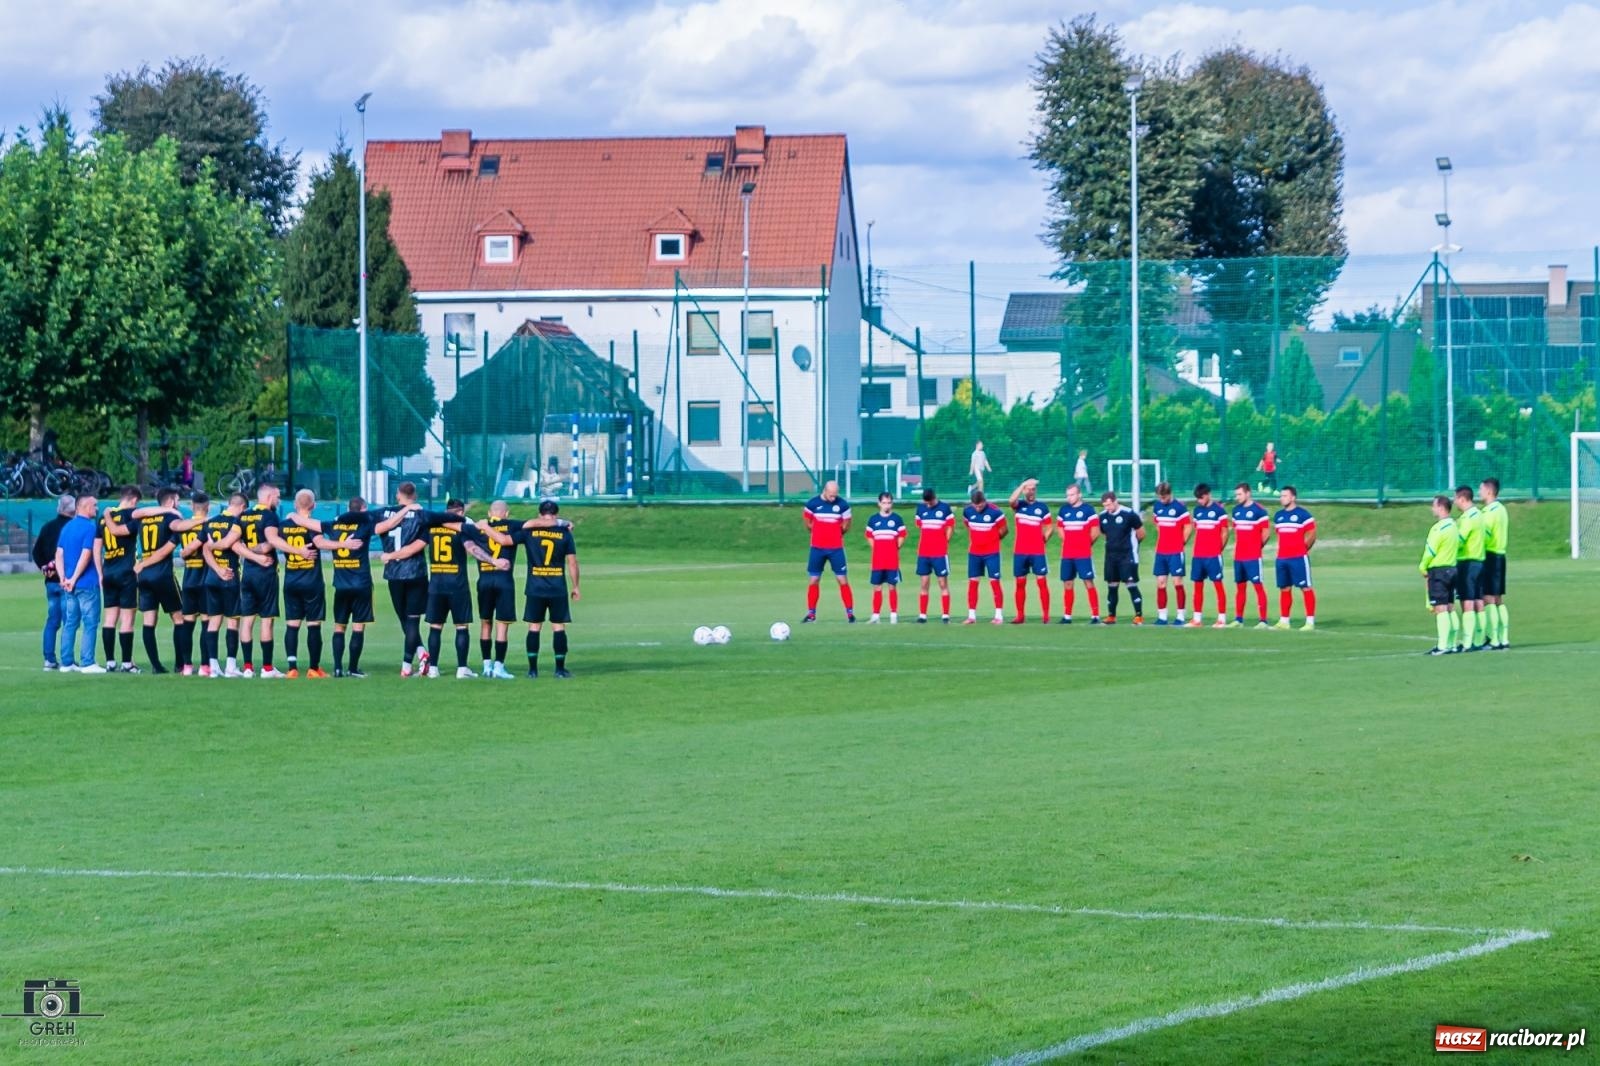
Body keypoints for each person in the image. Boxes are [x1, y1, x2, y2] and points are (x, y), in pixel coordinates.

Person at [415, 499, 501, 678]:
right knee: (461, 627)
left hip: (436, 584)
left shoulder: (432, 527)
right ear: (461, 512)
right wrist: (493, 561)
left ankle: (433, 669)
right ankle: (462, 669)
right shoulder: (460, 528)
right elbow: (472, 549)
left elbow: (417, 546)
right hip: (457, 584)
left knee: (435, 626)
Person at [131, 487, 204, 674]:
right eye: (177, 500)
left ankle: (156, 666)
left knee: (149, 621)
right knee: (179, 618)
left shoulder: (145, 518)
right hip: (161, 574)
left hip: (144, 576)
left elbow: (136, 513)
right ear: (171, 501)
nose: (178, 504)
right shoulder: (171, 517)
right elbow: (177, 530)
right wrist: (206, 520)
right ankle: (181, 664)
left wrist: (143, 563)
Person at [232, 482, 298, 678]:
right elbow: (271, 543)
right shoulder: (270, 516)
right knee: (267, 621)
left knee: (247, 620)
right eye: (277, 496)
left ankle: (248, 667)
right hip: (266, 573)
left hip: (248, 574)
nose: (278, 500)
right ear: (269, 497)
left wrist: (249, 553)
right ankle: (267, 668)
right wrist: (296, 550)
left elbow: (235, 544)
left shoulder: (243, 515)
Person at [278, 489, 345, 678]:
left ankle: (292, 668)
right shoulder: (312, 526)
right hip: (311, 582)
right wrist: (343, 545)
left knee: (292, 625)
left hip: (291, 581)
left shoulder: (283, 525)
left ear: (294, 505)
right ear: (313, 506)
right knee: (313, 625)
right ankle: (313, 668)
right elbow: (321, 543)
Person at [520, 500, 580, 678]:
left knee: (534, 627)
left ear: (540, 514)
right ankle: (560, 669)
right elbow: (572, 562)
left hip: (535, 587)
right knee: (558, 627)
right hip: (557, 587)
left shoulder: (530, 532)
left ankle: (532, 670)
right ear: (556, 514)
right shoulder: (564, 533)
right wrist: (576, 586)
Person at [378, 482, 431, 675]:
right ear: (414, 495)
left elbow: (378, 528)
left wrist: (390, 556)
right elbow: (417, 546)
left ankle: (410, 664)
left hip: (394, 573)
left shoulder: (385, 513)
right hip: (416, 572)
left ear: (397, 495)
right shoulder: (422, 514)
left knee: (405, 619)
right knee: (411, 620)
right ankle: (417, 658)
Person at [55, 495, 105, 674]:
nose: (97, 508)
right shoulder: (90, 528)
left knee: (70, 622)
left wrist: (63, 578)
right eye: (95, 505)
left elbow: (59, 554)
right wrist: (74, 578)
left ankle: (67, 662)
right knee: (90, 622)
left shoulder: (67, 527)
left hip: (69, 584)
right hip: (86, 582)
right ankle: (87, 662)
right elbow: (86, 554)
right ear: (84, 506)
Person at [328, 498, 376, 678]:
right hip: (361, 584)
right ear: (363, 509)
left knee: (339, 627)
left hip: (341, 584)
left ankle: (338, 668)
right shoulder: (365, 526)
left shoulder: (334, 525)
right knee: (358, 627)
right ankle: (353, 668)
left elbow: (317, 532)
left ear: (348, 508)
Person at [201, 493, 248, 677]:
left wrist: (216, 569)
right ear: (242, 507)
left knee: (214, 621)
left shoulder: (210, 523)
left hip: (211, 577)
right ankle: (230, 666)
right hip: (229, 576)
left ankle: (213, 667)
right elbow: (229, 544)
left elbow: (205, 549)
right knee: (232, 621)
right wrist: (222, 569)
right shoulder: (236, 523)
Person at [96, 486, 141, 673]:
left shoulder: (101, 519)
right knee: (127, 619)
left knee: (109, 619)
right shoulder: (133, 515)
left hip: (108, 572)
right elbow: (119, 532)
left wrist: (100, 573)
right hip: (126, 572)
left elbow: (96, 547)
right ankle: (127, 663)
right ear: (132, 500)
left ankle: (110, 662)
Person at [476, 501, 521, 678]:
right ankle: (499, 667)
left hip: (484, 579)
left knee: (485, 622)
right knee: (502, 625)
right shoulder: (512, 525)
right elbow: (535, 524)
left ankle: (486, 665)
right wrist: (563, 523)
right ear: (507, 513)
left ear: (489, 513)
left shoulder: (479, 527)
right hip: (504, 580)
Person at [802, 481, 854, 623]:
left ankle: (850, 613)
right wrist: (820, 533)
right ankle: (811, 614)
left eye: (835, 495)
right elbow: (807, 523)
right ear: (825, 491)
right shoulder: (812, 504)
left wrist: (836, 533)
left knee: (842, 579)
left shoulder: (842, 505)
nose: (833, 498)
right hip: (817, 548)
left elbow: (847, 523)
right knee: (814, 580)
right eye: (831, 495)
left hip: (836, 549)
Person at [33, 494, 74, 671]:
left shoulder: (47, 527)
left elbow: (36, 552)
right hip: (66, 580)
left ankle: (49, 659)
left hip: (50, 581)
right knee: (69, 621)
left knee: (52, 621)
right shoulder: (72, 527)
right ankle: (67, 660)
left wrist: (44, 566)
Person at [175, 493, 213, 675]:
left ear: (191, 506)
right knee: (206, 622)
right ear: (209, 507)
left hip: (189, 578)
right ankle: (205, 666)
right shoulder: (210, 525)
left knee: (187, 623)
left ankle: (187, 666)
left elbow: (182, 551)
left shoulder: (184, 526)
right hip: (205, 578)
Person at [1184, 484, 1231, 628]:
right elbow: (1197, 529)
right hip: (1198, 555)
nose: (1199, 501)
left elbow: (1225, 532)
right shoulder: (1197, 511)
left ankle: (1221, 619)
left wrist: (1218, 549)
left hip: (1213, 555)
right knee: (1197, 586)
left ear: (1208, 494)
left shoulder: (1219, 510)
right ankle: (1197, 619)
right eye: (1197, 498)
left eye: (1201, 498)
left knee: (1218, 585)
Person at [1007, 478, 1053, 624]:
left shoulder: (1042, 507)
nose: (1031, 492)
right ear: (1024, 490)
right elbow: (1011, 500)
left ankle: (1045, 615)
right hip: (1020, 551)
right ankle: (1020, 615)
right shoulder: (1019, 505)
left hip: (1037, 551)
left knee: (1042, 582)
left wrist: (1045, 537)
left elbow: (1049, 526)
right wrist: (1022, 485)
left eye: (1033, 489)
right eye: (1029, 489)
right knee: (1020, 583)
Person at [1271, 486, 1317, 630]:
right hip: (1282, 558)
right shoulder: (1278, 516)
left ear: (1293, 497)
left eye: (1285, 495)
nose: (1282, 498)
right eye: (1281, 496)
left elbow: (1312, 533)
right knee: (1284, 588)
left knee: (1305, 587)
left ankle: (1310, 621)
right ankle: (1284, 621)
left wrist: (1302, 549)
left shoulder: (1303, 515)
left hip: (1298, 558)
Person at [1055, 483, 1102, 624]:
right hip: (1067, 554)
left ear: (1079, 494)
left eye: (1072, 494)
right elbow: (1060, 529)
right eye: (1068, 495)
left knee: (1088, 582)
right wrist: (1069, 542)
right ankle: (1067, 616)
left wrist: (1085, 544)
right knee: (1067, 583)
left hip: (1083, 554)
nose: (1069, 497)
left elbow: (1095, 531)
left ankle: (1095, 615)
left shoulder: (1088, 510)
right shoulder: (1063, 510)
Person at [1420, 495, 1460, 656]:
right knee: (1450, 607)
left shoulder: (1438, 528)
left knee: (1440, 608)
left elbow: (1431, 550)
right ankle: (1452, 643)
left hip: (1439, 571)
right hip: (1452, 568)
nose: (1432, 508)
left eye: (1434, 505)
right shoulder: (1454, 526)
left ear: (1441, 507)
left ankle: (1442, 646)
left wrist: (1422, 566)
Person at [1229, 483, 1273, 628]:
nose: (1237, 497)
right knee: (1240, 588)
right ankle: (1238, 619)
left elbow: (1266, 533)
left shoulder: (1259, 511)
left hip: (1253, 557)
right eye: (1236, 495)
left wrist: (1256, 547)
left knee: (1258, 586)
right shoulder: (1236, 511)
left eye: (1240, 494)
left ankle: (1263, 620)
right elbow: (1236, 532)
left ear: (1248, 493)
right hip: (1239, 557)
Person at [962, 489, 1007, 625]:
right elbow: (967, 525)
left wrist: (992, 540)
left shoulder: (995, 512)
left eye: (980, 505)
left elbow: (1004, 530)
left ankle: (998, 615)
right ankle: (971, 616)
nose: (978, 508)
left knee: (994, 582)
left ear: (984, 501)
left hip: (991, 553)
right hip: (974, 553)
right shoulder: (967, 511)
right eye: (976, 506)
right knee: (973, 582)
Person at [1149, 482, 1192, 626]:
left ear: (1169, 494)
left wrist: (1180, 543)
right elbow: (1157, 525)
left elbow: (1188, 526)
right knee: (1161, 583)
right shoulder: (1157, 507)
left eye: (1164, 497)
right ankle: (1162, 616)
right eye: (1160, 498)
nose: (1162, 500)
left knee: (1177, 582)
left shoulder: (1180, 507)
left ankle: (1180, 615)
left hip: (1175, 552)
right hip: (1161, 552)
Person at [1098, 490, 1144, 624]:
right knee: (1112, 585)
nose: (1108, 508)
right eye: (1105, 506)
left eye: (1109, 505)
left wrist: (1133, 546)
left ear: (1115, 501)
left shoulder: (1129, 514)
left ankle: (1138, 615)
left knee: (1131, 584)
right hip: (1111, 557)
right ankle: (1111, 616)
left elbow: (1141, 533)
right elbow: (1104, 533)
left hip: (1127, 556)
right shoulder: (1102, 516)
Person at [1452, 485, 1487, 653]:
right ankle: (1479, 639)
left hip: (1467, 562)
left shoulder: (1467, 518)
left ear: (1462, 498)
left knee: (1467, 601)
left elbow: (1459, 540)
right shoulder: (1479, 514)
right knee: (1478, 601)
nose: (1454, 502)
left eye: (1455, 498)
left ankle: (1467, 642)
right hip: (1480, 561)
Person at [863, 491, 907, 623]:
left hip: (892, 560)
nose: (886, 505)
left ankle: (893, 614)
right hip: (878, 560)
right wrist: (876, 549)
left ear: (892, 503)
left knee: (892, 586)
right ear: (879, 503)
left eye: (889, 503)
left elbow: (902, 536)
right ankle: (876, 615)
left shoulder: (897, 519)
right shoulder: (873, 519)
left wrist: (895, 548)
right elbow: (869, 536)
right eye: (884, 503)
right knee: (877, 586)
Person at [913, 488, 955, 623]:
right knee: (924, 583)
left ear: (934, 498)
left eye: (930, 502)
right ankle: (922, 615)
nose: (928, 505)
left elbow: (950, 527)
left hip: (939, 553)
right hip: (924, 553)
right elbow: (920, 526)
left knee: (942, 583)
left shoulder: (945, 508)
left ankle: (945, 615)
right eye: (926, 503)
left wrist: (944, 542)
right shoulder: (920, 509)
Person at [1478, 477, 1510, 650]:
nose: (1479, 492)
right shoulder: (1502, 509)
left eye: (1481, 489)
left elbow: (1485, 535)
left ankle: (1493, 639)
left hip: (1490, 556)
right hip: (1500, 555)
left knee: (1488, 598)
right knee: (1498, 599)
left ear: (1489, 491)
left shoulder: (1490, 512)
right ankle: (1503, 639)